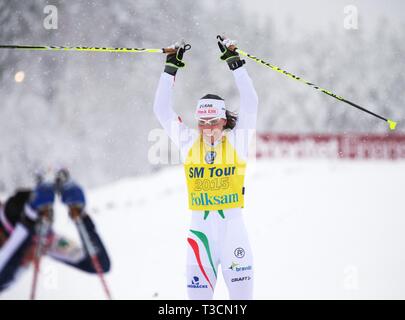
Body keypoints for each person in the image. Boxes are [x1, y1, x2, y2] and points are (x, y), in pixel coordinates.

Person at [153, 37, 258, 299]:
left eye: (213, 121)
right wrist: (170, 69)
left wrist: (236, 64)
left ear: (224, 121)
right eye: (203, 122)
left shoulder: (238, 140)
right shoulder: (189, 143)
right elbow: (161, 110)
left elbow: (251, 102)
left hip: (234, 233)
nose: (208, 128)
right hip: (201, 236)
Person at [0, 172, 111, 293]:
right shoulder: (27, 238)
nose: (34, 253)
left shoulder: (43, 240)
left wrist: (80, 217)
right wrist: (29, 221)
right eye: (28, 245)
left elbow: (99, 264)